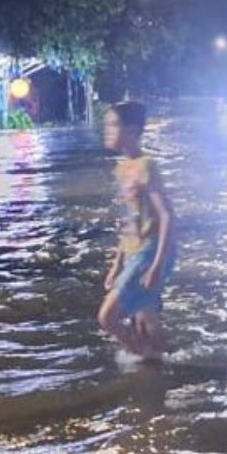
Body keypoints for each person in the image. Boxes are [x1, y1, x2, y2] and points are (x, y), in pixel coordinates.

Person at [99, 101, 177, 363]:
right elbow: (128, 222)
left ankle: (147, 358)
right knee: (146, 324)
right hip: (134, 253)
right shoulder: (121, 169)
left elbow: (166, 215)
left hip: (149, 252)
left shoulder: (146, 166)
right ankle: (167, 365)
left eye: (113, 125)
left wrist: (157, 265)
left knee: (107, 317)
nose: (107, 130)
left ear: (132, 130)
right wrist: (116, 264)